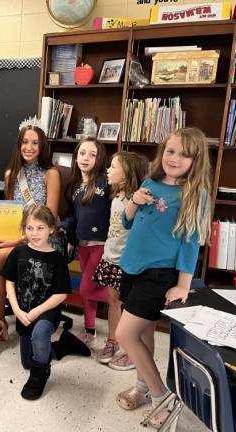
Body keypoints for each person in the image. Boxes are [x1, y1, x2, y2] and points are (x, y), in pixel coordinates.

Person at [114, 128, 211, 428]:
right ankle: (142, 388)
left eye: (184, 154)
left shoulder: (195, 194)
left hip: (158, 276)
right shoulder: (150, 182)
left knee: (124, 334)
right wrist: (135, 199)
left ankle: (161, 399)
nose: (174, 158)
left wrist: (183, 284)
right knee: (143, 335)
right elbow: (126, 220)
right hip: (131, 267)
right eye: (170, 151)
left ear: (196, 161)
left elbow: (191, 241)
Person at [0, 125, 60, 358]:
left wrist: (18, 240)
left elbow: (49, 219)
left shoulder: (51, 174)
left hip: (40, 238)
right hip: (16, 236)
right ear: (19, 145)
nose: (29, 147)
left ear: (42, 147)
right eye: (25, 142)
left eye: (35, 143)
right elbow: (11, 212)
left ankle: (0, 321)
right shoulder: (12, 174)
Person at [1, 205, 70, 400]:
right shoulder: (18, 252)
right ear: (24, 228)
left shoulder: (57, 259)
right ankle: (63, 345)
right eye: (30, 228)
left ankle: (40, 376)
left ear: (51, 229)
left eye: (40, 228)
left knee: (40, 337)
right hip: (23, 311)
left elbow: (61, 294)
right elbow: (10, 283)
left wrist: (36, 311)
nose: (34, 233)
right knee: (27, 362)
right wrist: (16, 309)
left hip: (47, 311)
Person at [93, 152, 149, 370]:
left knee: (131, 309)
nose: (108, 170)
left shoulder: (138, 201)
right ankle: (113, 342)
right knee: (113, 302)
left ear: (127, 175)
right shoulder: (116, 197)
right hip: (111, 259)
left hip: (128, 264)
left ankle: (131, 349)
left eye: (113, 167)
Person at [61, 138, 111, 349]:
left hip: (101, 245)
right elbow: (73, 214)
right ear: (76, 156)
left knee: (85, 288)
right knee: (88, 288)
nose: (86, 158)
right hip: (82, 245)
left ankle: (122, 301)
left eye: (92, 154)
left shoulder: (105, 181)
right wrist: (63, 225)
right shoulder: (74, 184)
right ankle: (90, 330)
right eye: (82, 153)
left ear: (99, 159)